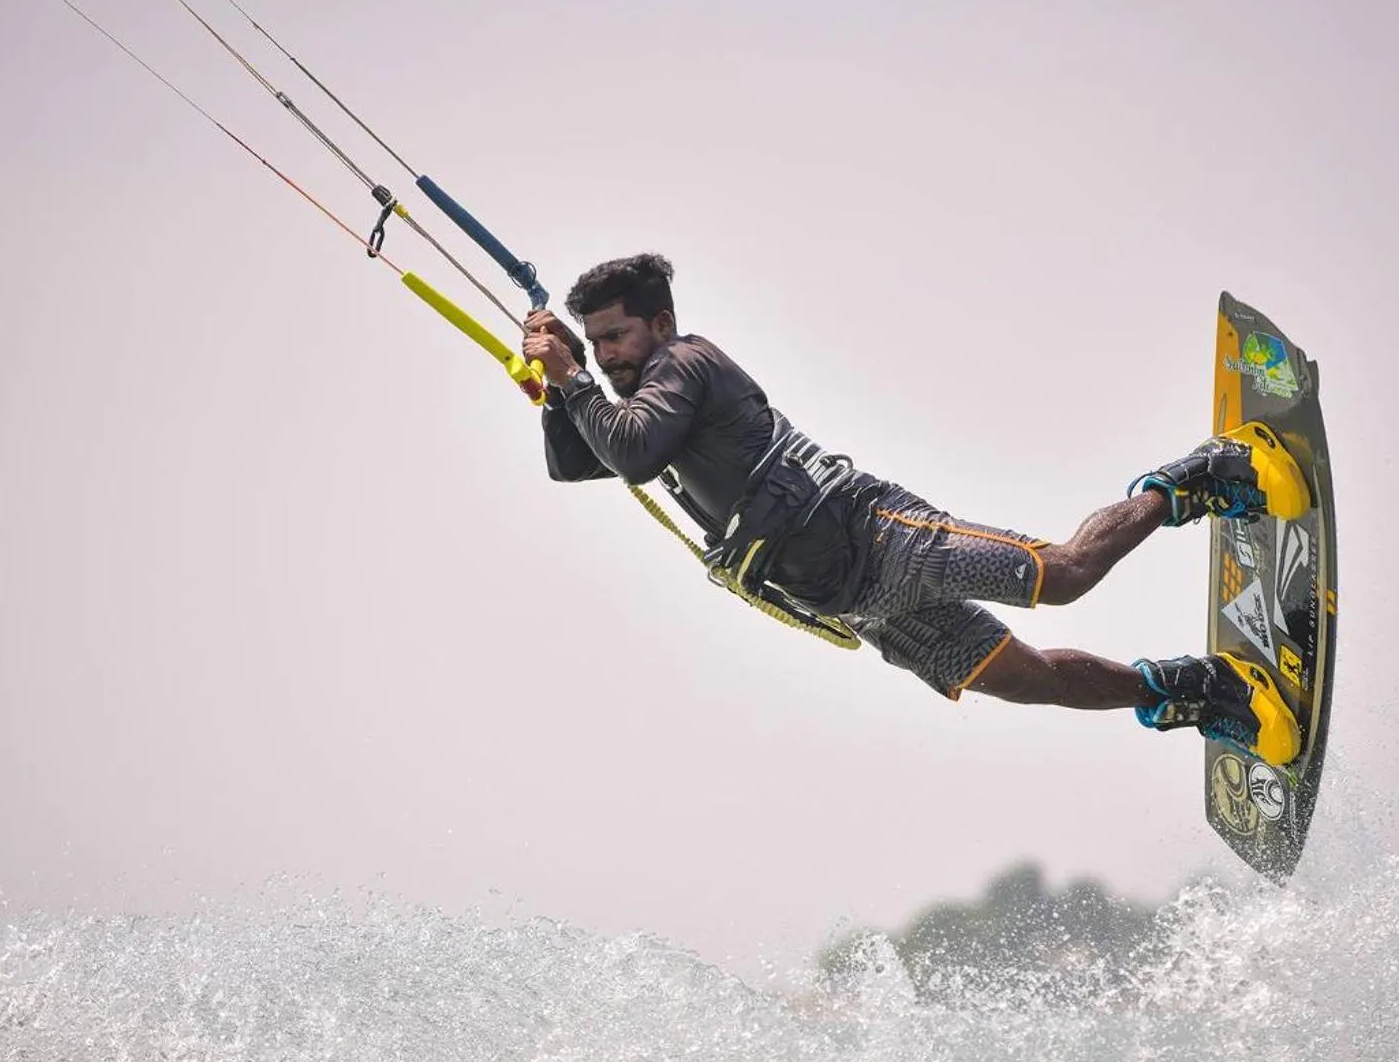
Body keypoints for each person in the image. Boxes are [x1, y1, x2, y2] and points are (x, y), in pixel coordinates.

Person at [525, 253, 1306, 765]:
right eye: (594, 345)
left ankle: (1197, 479)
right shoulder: (624, 403)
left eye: (616, 336)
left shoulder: (684, 362)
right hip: (853, 600)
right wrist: (558, 392)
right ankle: (1190, 688)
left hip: (876, 535)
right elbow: (577, 461)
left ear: (658, 322)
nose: (608, 355)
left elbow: (631, 449)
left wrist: (573, 381)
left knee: (1063, 574)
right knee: (1027, 679)